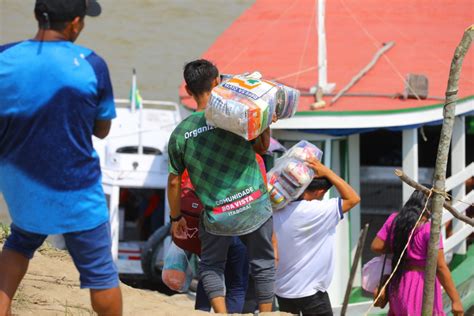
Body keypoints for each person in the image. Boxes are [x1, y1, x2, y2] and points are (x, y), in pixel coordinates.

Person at [0, 1, 122, 315]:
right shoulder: (91, 64)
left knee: (20, 242)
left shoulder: (4, 57)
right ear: (75, 23)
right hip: (74, 188)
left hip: (19, 182)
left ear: (36, 16)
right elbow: (103, 129)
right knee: (100, 272)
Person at [167, 59, 275, 313]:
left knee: (212, 264)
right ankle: (268, 312)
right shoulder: (235, 117)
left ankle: (221, 313)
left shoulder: (181, 133)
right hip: (254, 206)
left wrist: (176, 218)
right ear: (217, 82)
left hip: (217, 214)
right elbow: (262, 148)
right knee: (263, 263)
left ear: (188, 89)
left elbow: (173, 181)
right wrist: (266, 120)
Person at [273, 158, 360, 316]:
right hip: (311, 293)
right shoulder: (316, 211)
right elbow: (353, 198)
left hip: (282, 290)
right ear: (319, 192)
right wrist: (327, 172)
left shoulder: (277, 209)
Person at [371, 189, 463, 316]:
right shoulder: (429, 229)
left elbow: (376, 246)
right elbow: (440, 267)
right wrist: (456, 300)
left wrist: (401, 246)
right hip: (421, 284)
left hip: (398, 283)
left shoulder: (394, 219)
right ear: (431, 206)